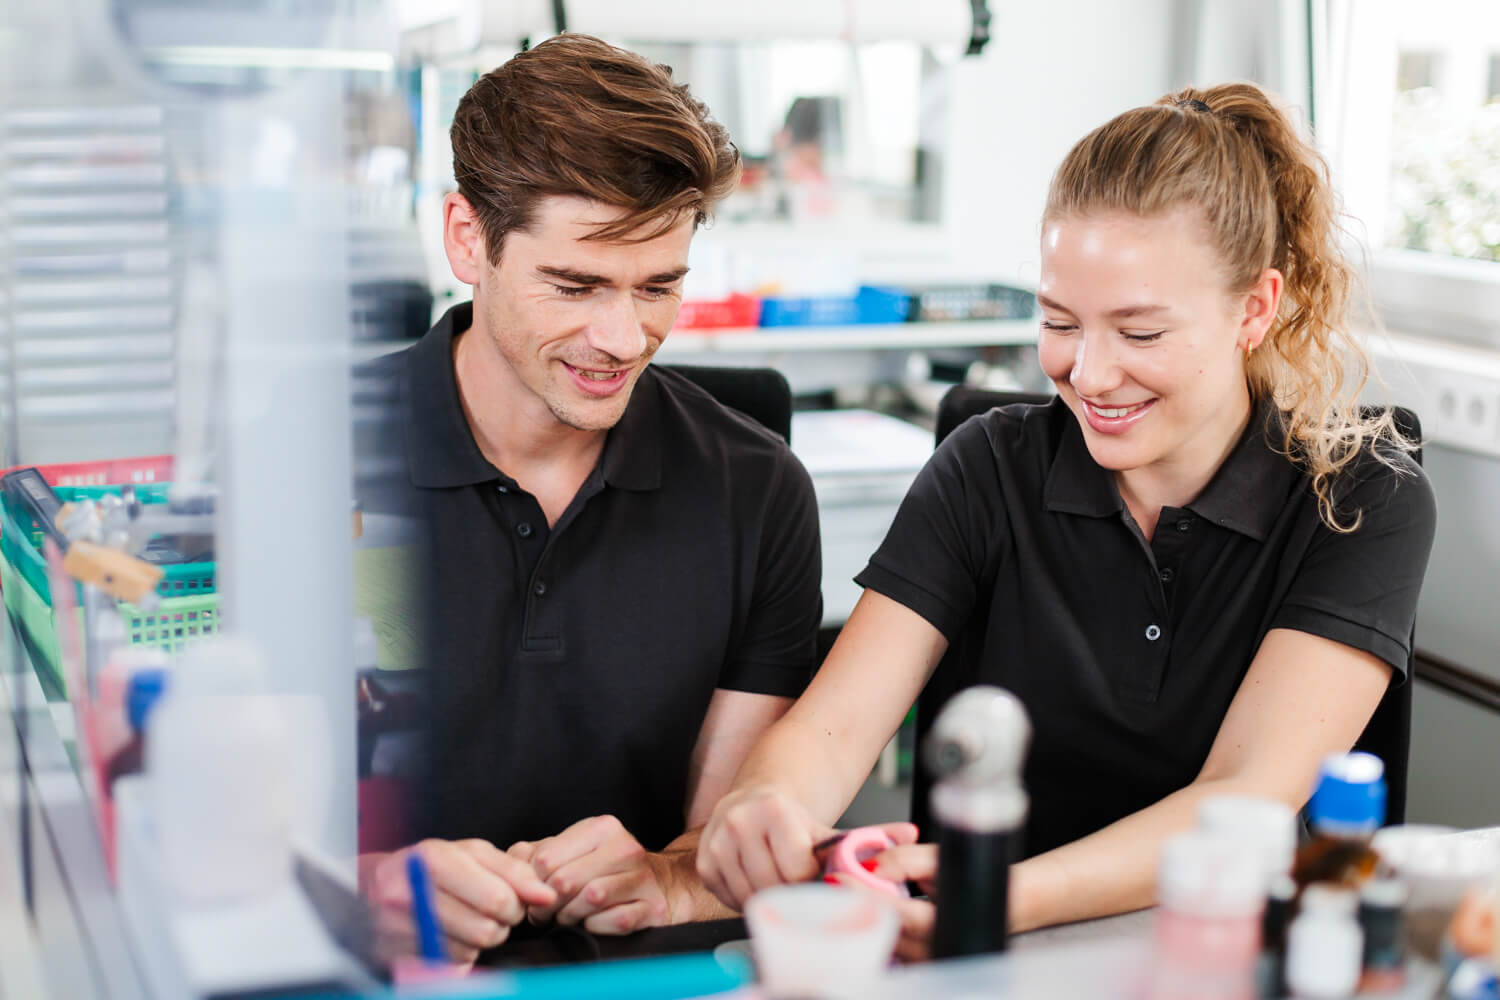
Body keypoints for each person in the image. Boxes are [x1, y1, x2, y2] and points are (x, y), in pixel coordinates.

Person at [696, 82, 1438, 961]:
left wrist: (994, 895)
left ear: (1255, 309)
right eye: (1058, 321)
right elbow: (833, 728)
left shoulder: (1361, 497)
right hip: (984, 956)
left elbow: (1243, 794)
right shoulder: (988, 467)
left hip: (1227, 953)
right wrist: (768, 801)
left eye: (1139, 332)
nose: (1087, 373)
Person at [354, 34, 823, 964]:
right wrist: (361, 887)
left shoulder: (757, 487)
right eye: (575, 284)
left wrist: (667, 873)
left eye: (659, 288)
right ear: (465, 240)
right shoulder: (308, 452)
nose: (622, 337)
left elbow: (715, 845)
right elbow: (215, 825)